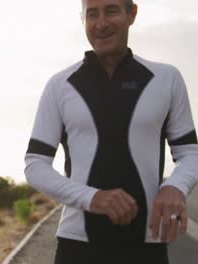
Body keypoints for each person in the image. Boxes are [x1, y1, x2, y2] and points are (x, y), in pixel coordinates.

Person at [24, 0, 198, 263]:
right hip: (77, 246)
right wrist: (93, 198)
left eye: (112, 10)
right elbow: (35, 164)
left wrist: (175, 187)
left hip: (146, 245)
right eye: (92, 14)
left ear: (132, 14)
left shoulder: (166, 79)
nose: (101, 23)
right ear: (83, 19)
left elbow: (190, 153)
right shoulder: (60, 85)